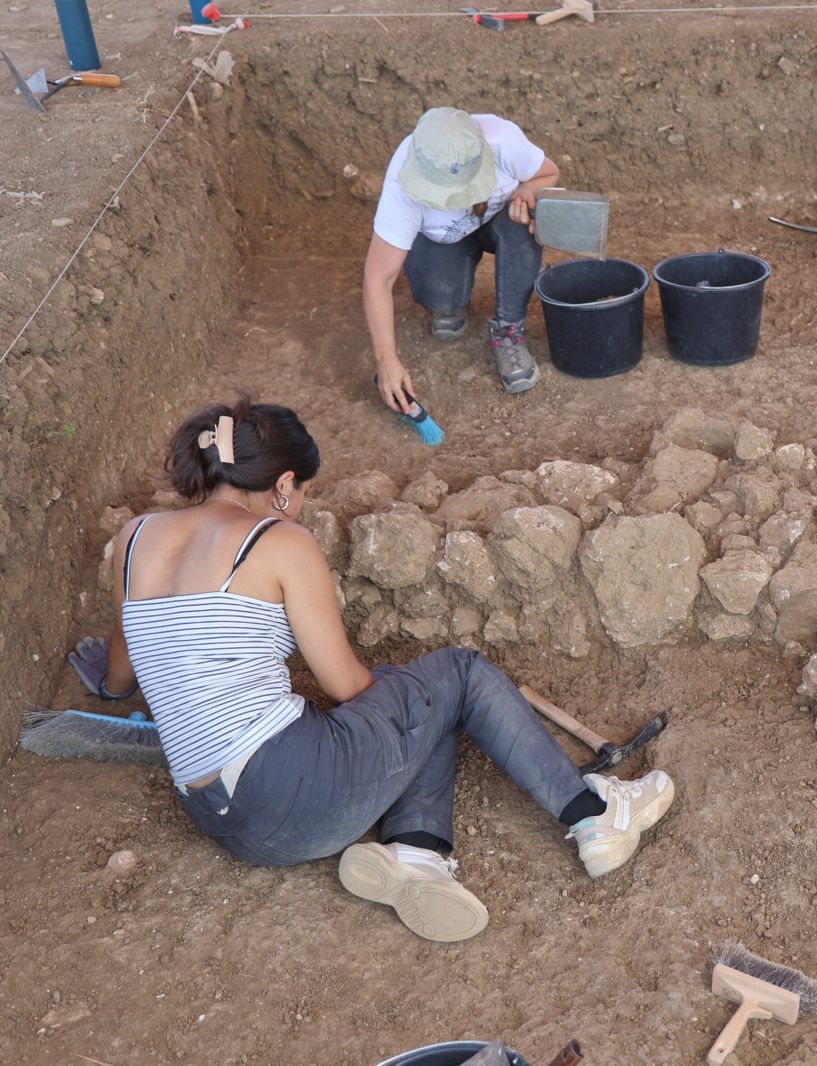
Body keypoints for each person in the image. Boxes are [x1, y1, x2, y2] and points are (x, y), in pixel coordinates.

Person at [68, 398, 673, 942]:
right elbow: (346, 686)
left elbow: (121, 673)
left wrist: (106, 681)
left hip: (220, 818)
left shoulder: (135, 538)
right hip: (294, 794)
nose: (301, 506)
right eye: (304, 492)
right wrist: (393, 684)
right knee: (455, 675)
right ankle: (595, 818)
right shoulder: (276, 541)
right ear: (283, 485)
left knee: (414, 699)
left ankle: (417, 851)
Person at [364, 107, 561, 409]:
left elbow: (549, 173)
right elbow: (378, 279)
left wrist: (526, 192)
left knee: (522, 227)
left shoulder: (502, 140)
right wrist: (386, 360)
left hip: (499, 222)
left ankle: (508, 328)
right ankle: (450, 302)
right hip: (442, 239)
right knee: (441, 297)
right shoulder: (401, 185)